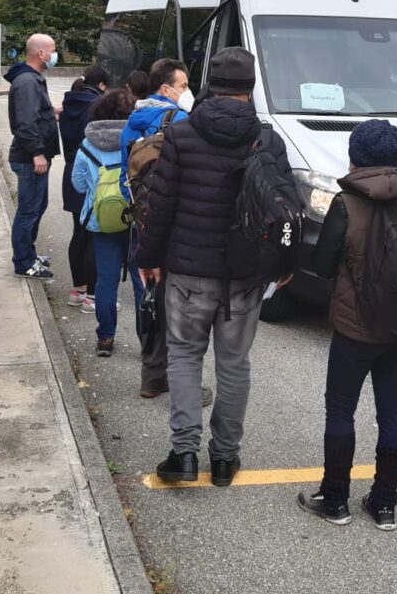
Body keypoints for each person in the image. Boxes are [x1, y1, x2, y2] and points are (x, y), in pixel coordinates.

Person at [138, 47, 295, 486]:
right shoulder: (266, 139)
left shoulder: (183, 135)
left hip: (188, 271)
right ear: (250, 89)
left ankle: (183, 453)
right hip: (245, 275)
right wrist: (285, 261)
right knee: (235, 363)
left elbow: (160, 206)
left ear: (211, 84)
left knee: (185, 357)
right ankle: (225, 458)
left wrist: (148, 259)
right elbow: (287, 204)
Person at [296, 119, 397, 529]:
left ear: (355, 158)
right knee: (392, 411)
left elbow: (322, 266)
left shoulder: (346, 203)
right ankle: (384, 503)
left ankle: (335, 498)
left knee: (341, 409)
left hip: (356, 326)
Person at [120, 58, 191, 398]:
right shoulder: (181, 121)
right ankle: (178, 381)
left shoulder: (132, 121)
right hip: (174, 223)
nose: (186, 91)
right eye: (184, 85)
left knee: (148, 295)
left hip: (140, 220)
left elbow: (126, 172)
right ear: (166, 89)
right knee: (178, 304)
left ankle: (150, 377)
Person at [72, 87, 142, 356]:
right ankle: (146, 341)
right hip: (136, 219)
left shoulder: (88, 143)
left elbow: (78, 184)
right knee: (141, 280)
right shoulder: (141, 139)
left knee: (106, 280)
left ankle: (105, 338)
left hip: (101, 220)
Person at [5, 33, 60, 279]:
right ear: (41, 54)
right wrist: (38, 153)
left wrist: (51, 111)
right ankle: (24, 262)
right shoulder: (27, 82)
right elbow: (25, 123)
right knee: (28, 211)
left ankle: (29, 253)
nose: (55, 55)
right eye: (53, 50)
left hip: (35, 156)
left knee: (38, 206)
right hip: (30, 158)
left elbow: (34, 114)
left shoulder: (31, 79)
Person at [59, 65, 108, 311]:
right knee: (91, 236)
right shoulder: (94, 108)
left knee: (78, 233)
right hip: (90, 173)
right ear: (101, 86)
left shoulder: (69, 104)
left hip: (71, 171)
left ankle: (77, 289)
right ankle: (91, 294)